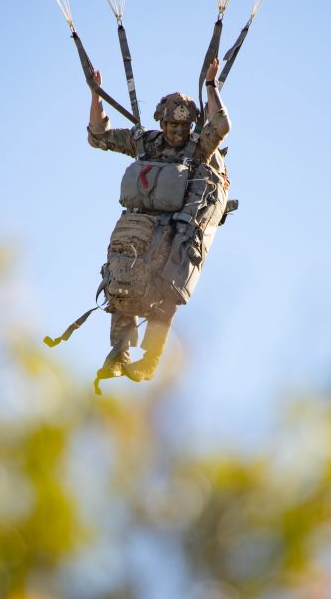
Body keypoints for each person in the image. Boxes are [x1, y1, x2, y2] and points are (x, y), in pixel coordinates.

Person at [87, 58, 230, 382]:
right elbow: (99, 136)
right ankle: (118, 353)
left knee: (165, 293)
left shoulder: (198, 149)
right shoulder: (146, 142)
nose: (178, 132)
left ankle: (150, 359)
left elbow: (221, 126)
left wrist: (211, 86)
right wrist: (95, 96)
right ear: (162, 123)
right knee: (124, 279)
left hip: (173, 230)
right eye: (172, 126)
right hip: (140, 228)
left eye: (184, 126)